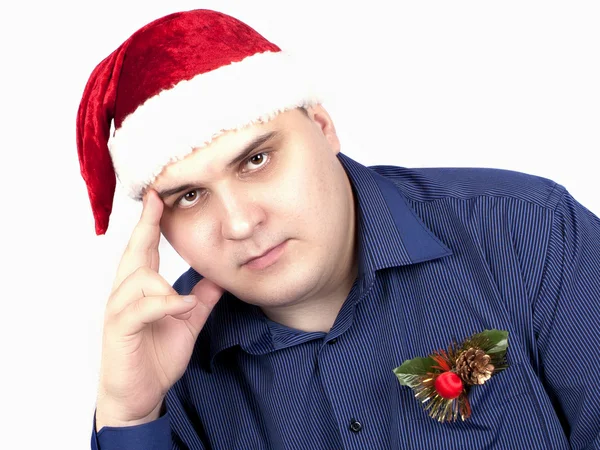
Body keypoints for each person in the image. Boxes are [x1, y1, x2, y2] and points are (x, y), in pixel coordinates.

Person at [77, 8, 600, 450]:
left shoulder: (532, 232)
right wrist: (128, 417)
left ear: (323, 128)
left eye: (257, 159)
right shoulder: (165, 369)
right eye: (189, 197)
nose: (239, 223)